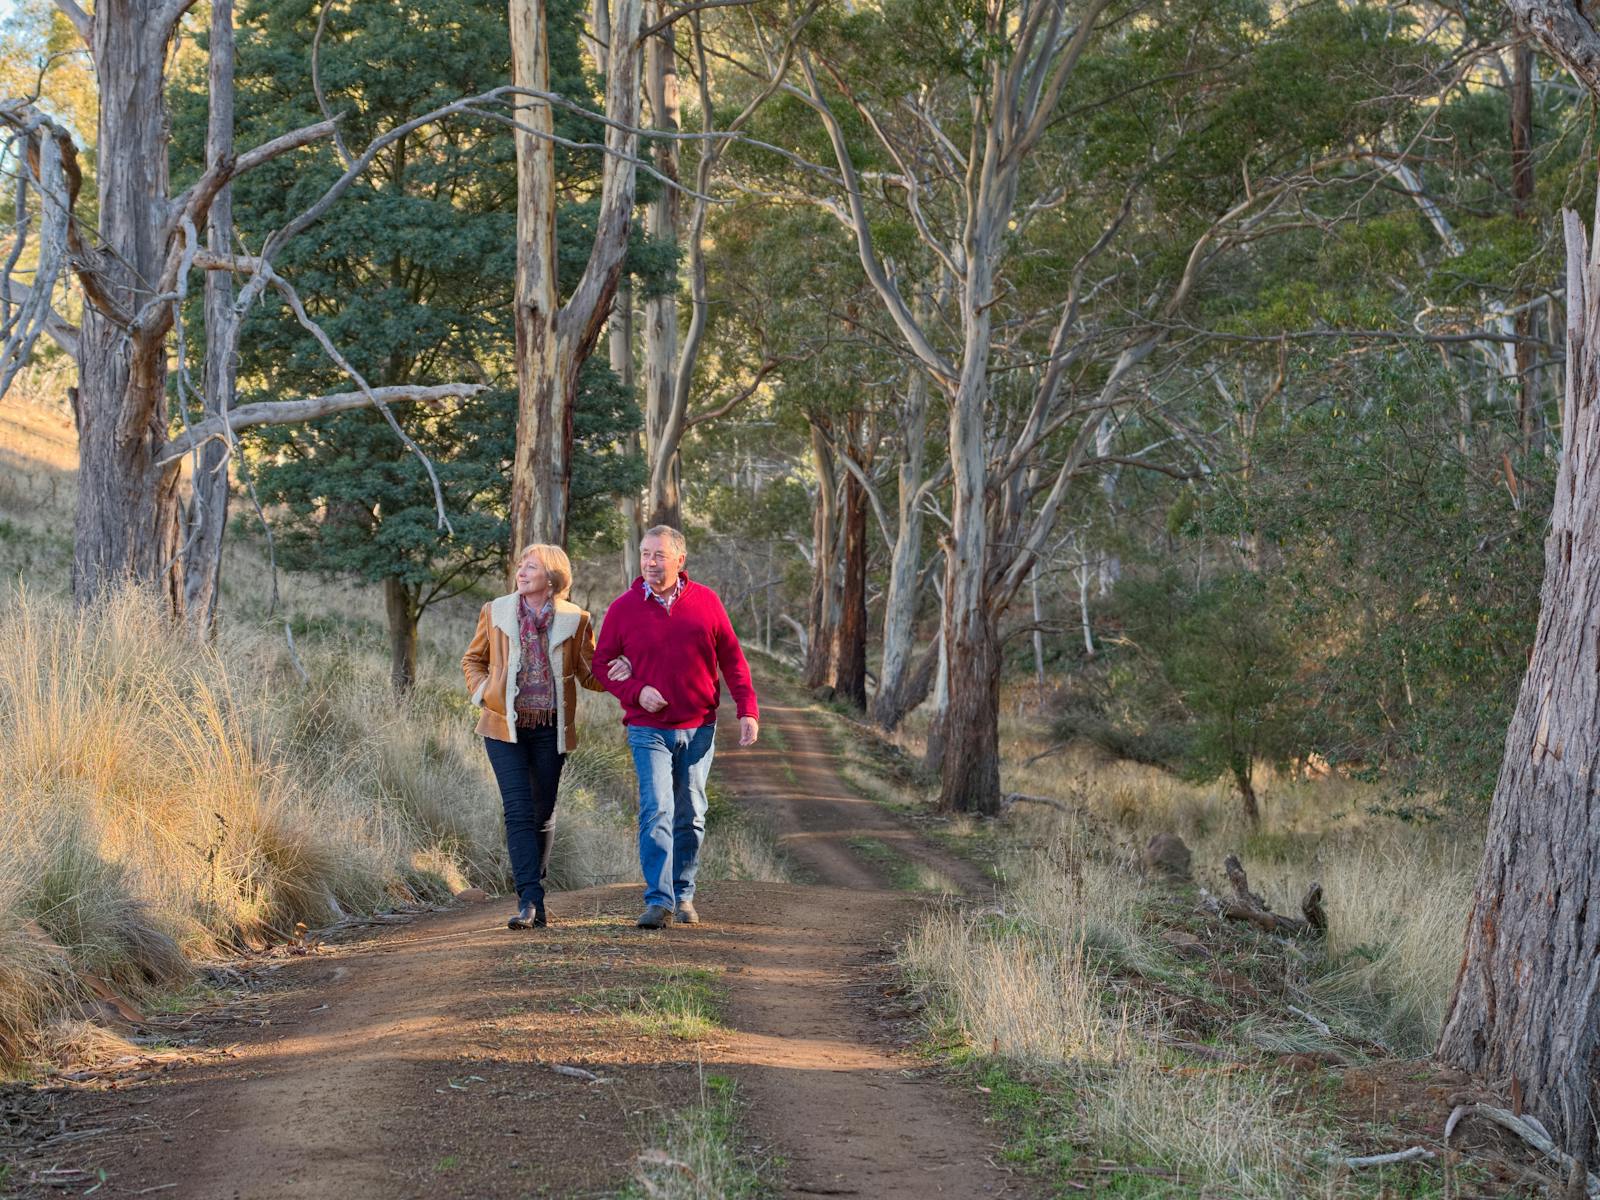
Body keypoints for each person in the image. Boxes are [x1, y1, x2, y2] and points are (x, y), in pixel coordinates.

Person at [594, 524, 760, 929]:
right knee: (657, 810)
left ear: (680, 559)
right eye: (645, 554)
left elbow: (733, 661)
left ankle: (684, 895)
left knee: (692, 813)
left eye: (659, 555)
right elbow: (600, 666)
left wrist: (747, 709)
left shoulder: (706, 602)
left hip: (699, 726)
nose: (650, 563)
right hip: (647, 727)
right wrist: (636, 691)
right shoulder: (623, 608)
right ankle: (658, 901)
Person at [462, 543, 630, 930]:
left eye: (531, 567)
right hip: (503, 726)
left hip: (551, 729)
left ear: (552, 577)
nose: (521, 571)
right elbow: (473, 659)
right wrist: (483, 691)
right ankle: (529, 901)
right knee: (518, 810)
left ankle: (532, 893)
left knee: (543, 812)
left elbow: (589, 673)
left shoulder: (576, 618)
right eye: (521, 565)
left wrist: (621, 670)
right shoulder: (496, 610)